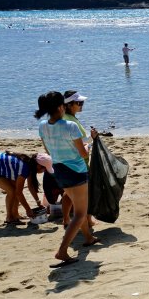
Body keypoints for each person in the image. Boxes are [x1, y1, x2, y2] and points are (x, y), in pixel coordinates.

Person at [36, 91, 99, 267]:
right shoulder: (70, 126)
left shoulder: (42, 125)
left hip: (59, 170)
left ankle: (88, 237)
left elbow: (48, 151)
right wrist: (89, 144)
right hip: (76, 171)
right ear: (60, 107)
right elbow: (83, 153)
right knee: (80, 213)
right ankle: (62, 251)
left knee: (78, 207)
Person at [0, 151, 52, 224]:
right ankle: (9, 218)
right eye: (45, 169)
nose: (45, 171)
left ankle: (15, 215)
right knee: (12, 191)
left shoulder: (30, 164)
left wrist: (38, 203)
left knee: (14, 189)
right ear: (38, 165)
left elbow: (31, 186)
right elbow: (19, 193)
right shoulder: (24, 168)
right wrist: (28, 209)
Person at [61, 91, 92, 228]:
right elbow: (79, 143)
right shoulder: (70, 121)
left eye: (82, 102)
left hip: (67, 162)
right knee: (84, 194)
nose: (81, 105)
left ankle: (66, 219)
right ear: (69, 105)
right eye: (79, 103)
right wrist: (90, 143)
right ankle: (88, 222)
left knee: (69, 193)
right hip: (79, 162)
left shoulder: (67, 117)